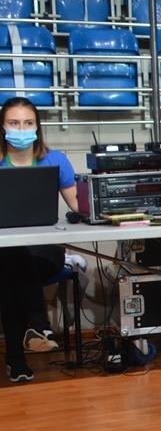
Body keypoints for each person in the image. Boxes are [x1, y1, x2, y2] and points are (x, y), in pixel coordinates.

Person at [0, 97, 77, 384]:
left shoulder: (55, 160)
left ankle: (17, 361)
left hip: (44, 254)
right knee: (11, 259)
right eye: (14, 123)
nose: (21, 129)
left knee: (9, 272)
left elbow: (77, 206)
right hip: (5, 254)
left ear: (37, 127)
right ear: (2, 127)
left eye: (28, 123)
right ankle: (38, 324)